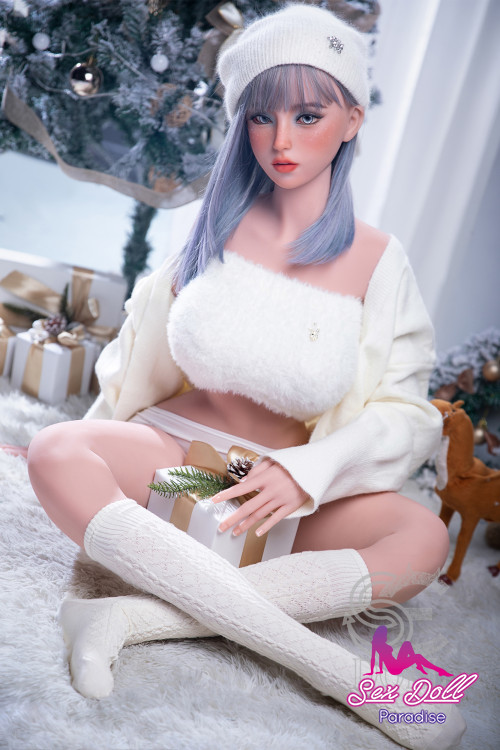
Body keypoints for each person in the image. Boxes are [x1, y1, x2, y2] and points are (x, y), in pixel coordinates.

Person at [27, 4, 466, 748]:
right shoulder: (213, 229)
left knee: (421, 535)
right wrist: (96, 438)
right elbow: (139, 354)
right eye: (262, 117)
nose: (282, 140)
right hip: (185, 470)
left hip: (279, 499)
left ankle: (127, 616)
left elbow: (406, 410)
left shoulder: (378, 259)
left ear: (353, 120)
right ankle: (342, 674)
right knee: (57, 449)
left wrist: (307, 471)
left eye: (308, 115)